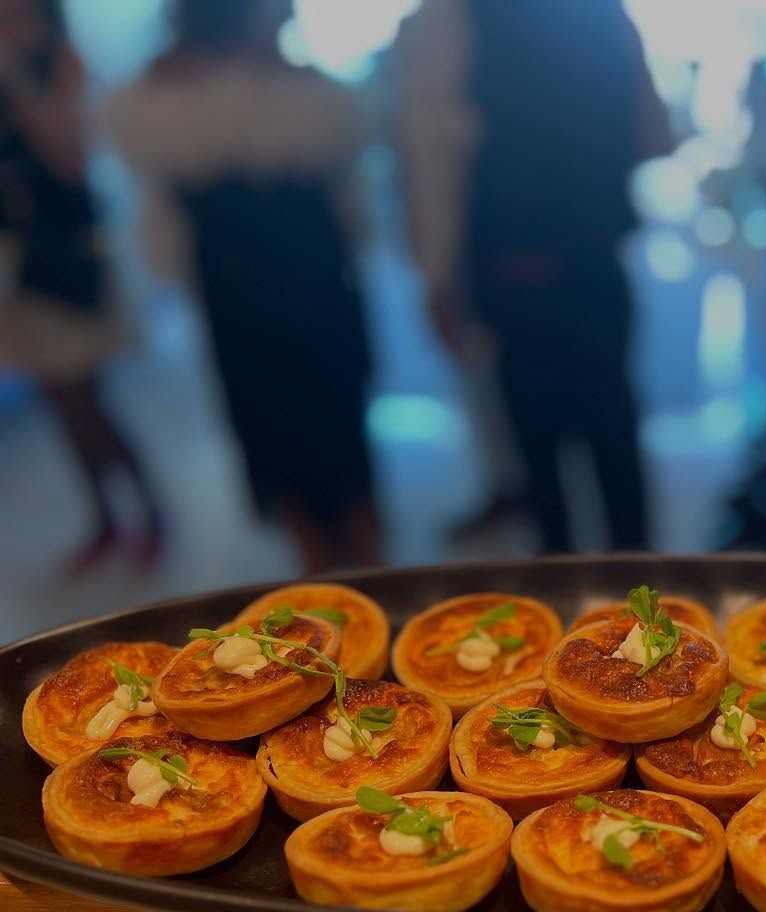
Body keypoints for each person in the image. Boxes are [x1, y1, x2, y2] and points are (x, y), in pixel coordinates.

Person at [108, 0, 379, 573]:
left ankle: (362, 550)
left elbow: (345, 150)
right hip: (242, 284)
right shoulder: (168, 94)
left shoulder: (301, 90)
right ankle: (316, 555)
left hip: (308, 277)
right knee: (272, 422)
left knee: (336, 417)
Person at [395, 0, 669, 552]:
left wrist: (439, 274)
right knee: (614, 436)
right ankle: (641, 597)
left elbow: (434, 152)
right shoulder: (601, 13)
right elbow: (654, 134)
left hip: (514, 267)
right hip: (593, 258)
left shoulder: (454, 18)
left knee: (542, 452)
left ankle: (568, 599)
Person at [0, 0, 162, 570]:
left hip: (70, 263)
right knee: (59, 404)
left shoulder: (61, 67)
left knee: (90, 402)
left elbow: (69, 160)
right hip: (17, 271)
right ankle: (104, 520)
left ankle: (153, 514)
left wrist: (18, 81)